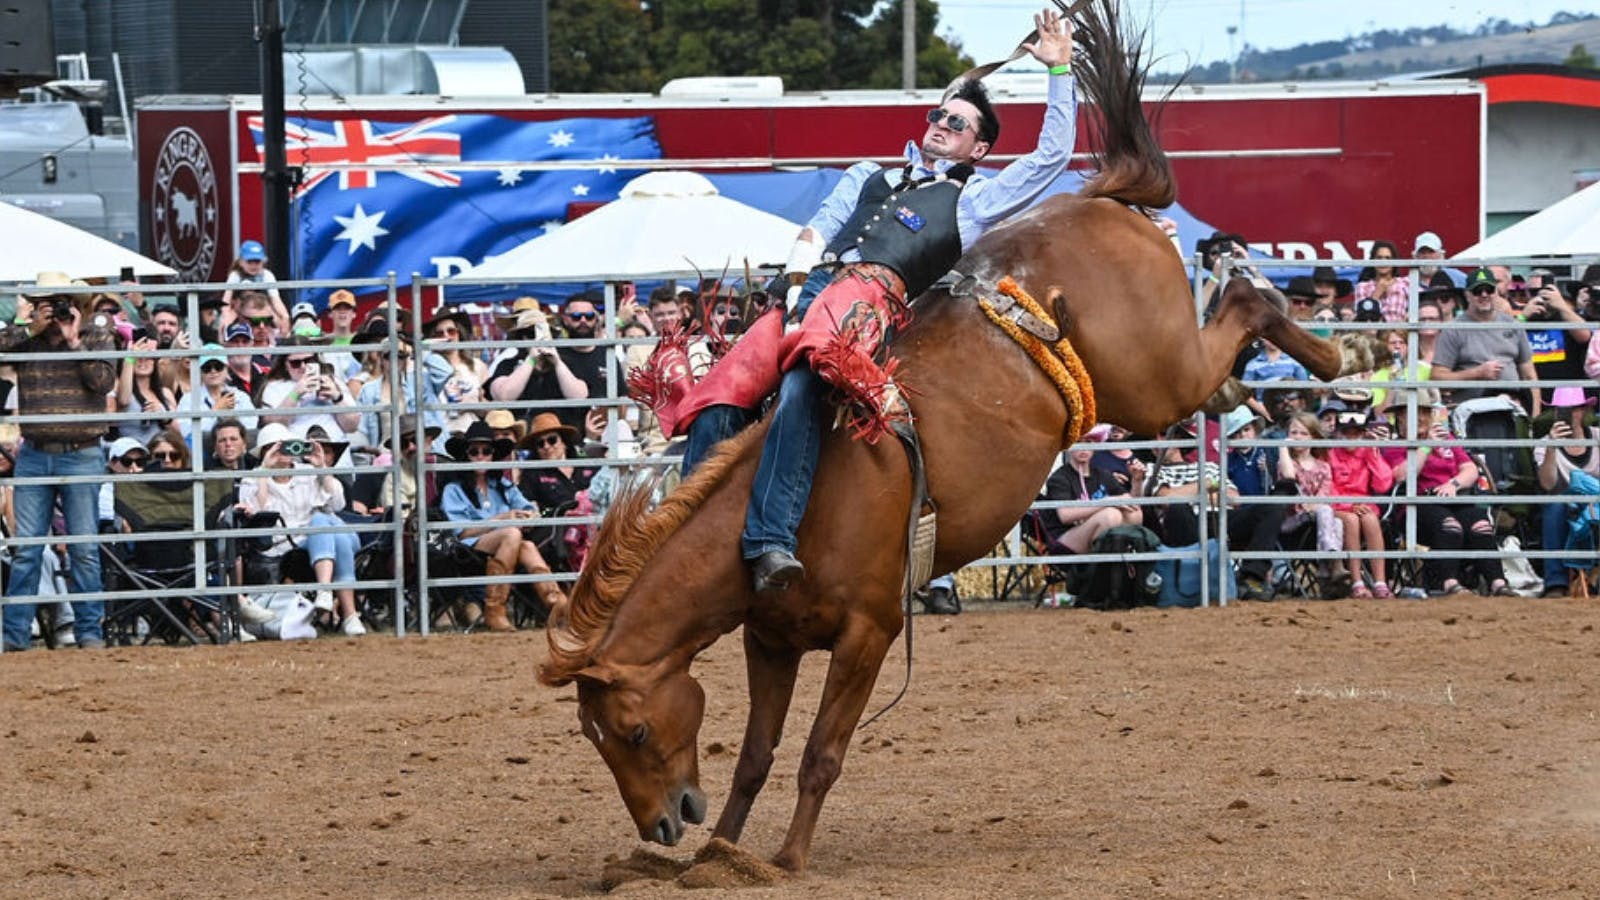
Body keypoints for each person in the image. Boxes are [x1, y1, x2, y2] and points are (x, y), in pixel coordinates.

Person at [736, 8, 1077, 591]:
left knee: (800, 382)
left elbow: (1052, 159)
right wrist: (793, 291)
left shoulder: (971, 200)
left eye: (958, 122)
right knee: (721, 389)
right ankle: (684, 527)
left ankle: (769, 541)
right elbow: (816, 231)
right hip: (805, 287)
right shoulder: (867, 172)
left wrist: (1059, 72)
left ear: (979, 148)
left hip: (868, 307)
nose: (941, 124)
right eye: (938, 114)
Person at [0, 272, 119, 652]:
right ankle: (14, 636)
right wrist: (25, 322)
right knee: (27, 550)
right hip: (35, 453)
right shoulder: (26, 338)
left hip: (81, 451)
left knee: (83, 548)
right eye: (48, 302)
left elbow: (102, 382)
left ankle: (89, 633)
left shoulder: (95, 334)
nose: (57, 309)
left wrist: (73, 341)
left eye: (61, 300)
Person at [236, 422, 366, 636]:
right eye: (274, 447)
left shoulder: (308, 472)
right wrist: (264, 471)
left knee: (322, 521)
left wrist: (321, 468)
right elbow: (257, 514)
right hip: (284, 546)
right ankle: (349, 614)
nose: (281, 452)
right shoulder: (253, 477)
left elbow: (338, 504)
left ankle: (327, 592)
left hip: (316, 540)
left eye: (286, 446)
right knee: (329, 529)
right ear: (263, 453)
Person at [438, 420, 567, 631]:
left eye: (486, 451)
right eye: (474, 452)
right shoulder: (454, 489)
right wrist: (501, 519)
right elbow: (460, 532)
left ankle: (554, 603)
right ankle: (498, 608)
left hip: (505, 543)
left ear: (493, 455)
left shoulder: (504, 485)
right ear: (466, 455)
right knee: (513, 535)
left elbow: (529, 508)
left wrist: (527, 515)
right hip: (469, 546)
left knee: (526, 545)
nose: (481, 457)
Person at [1404, 398, 1512, 596]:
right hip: (1419, 505)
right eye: (1412, 412)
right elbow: (1403, 475)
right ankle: (1450, 584)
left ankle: (1498, 583)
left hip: (1454, 498)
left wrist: (1453, 484)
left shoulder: (1448, 439)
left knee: (1482, 526)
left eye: (1425, 412)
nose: (1420, 417)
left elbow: (1470, 469)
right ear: (1400, 418)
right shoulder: (1397, 444)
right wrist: (1427, 446)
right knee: (1450, 526)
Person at [1432, 267, 1540, 417]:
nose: (1484, 295)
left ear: (1497, 293)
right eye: (1477, 291)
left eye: (1489, 290)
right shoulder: (1453, 330)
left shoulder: (1513, 325)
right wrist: (1477, 373)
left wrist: (1533, 417)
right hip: (1473, 414)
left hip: (1512, 410)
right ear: (1467, 295)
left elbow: (1529, 376)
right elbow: (1438, 379)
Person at [1533, 386, 1600, 597]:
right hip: (1563, 503)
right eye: (1560, 410)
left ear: (1582, 411)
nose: (1567, 414)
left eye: (1572, 409)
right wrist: (1553, 447)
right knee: (1554, 506)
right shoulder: (1544, 444)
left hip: (1596, 500)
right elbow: (1548, 484)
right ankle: (1556, 583)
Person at [1276, 411, 1347, 594]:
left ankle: (1325, 569)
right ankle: (1334, 562)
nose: (1298, 437)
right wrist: (1283, 448)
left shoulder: (1323, 466)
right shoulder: (1287, 463)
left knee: (1335, 519)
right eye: (1293, 433)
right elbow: (1289, 477)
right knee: (1325, 512)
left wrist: (1314, 505)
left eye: (1303, 433)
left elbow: (1324, 496)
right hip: (1292, 521)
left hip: (1316, 521)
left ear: (1314, 437)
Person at [1327, 409, 1395, 598]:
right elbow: (1328, 487)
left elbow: (1382, 485)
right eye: (1345, 433)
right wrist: (1349, 504)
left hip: (1364, 504)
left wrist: (1373, 454)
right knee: (1351, 520)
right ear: (1337, 434)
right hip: (1337, 507)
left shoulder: (1368, 452)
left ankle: (1380, 582)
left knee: (1370, 520)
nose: (1351, 438)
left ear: (1363, 434)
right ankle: (1357, 582)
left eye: (1355, 433)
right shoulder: (1329, 453)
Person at [1520, 273, 1591, 409]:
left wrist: (1561, 305)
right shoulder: (1522, 318)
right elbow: (1506, 342)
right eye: (1534, 292)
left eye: (1546, 290)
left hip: (1567, 398)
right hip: (1533, 398)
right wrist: (1523, 317)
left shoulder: (1565, 315)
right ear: (1527, 294)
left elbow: (1585, 336)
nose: (1540, 296)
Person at [175, 343, 258, 445]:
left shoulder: (240, 396)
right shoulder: (189, 399)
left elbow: (251, 427)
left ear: (226, 368)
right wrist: (215, 412)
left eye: (218, 367)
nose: (213, 371)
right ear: (200, 371)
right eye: (207, 367)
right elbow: (186, 432)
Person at [515, 412, 594, 516]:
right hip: (557, 528)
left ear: (564, 442)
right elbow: (527, 505)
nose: (546, 446)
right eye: (540, 443)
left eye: (552, 440)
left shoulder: (586, 465)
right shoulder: (531, 474)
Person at [115, 335, 180, 446]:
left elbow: (178, 431)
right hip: (133, 457)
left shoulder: (165, 393)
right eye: (139, 357)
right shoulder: (121, 388)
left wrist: (163, 415)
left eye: (148, 357)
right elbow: (124, 400)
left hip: (159, 454)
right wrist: (130, 358)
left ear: (154, 362)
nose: (143, 361)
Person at [220, 240, 289, 332]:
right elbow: (226, 300)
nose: (253, 265)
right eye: (249, 262)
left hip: (262, 308)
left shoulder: (267, 275)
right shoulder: (235, 275)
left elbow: (276, 299)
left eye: (257, 262)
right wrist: (226, 315)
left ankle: (283, 340)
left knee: (280, 319)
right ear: (241, 262)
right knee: (225, 322)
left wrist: (285, 316)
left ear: (263, 261)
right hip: (239, 309)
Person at [1353, 240, 1409, 323]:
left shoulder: (1405, 283)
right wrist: (1376, 294)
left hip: (1400, 333)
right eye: (1379, 258)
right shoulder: (1362, 287)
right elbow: (1362, 318)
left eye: (1388, 258)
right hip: (1372, 333)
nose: (1383, 261)